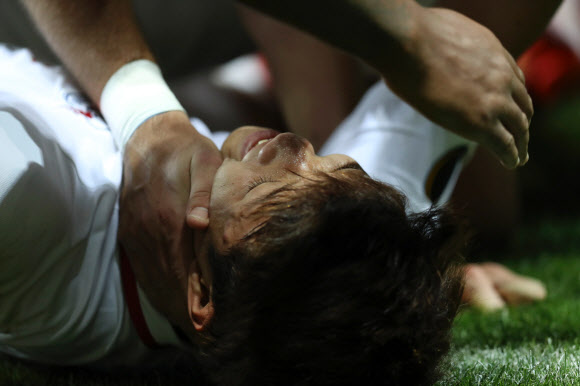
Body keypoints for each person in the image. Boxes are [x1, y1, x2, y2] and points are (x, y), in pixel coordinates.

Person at [0, 44, 545, 384]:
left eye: (280, 194)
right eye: (342, 166)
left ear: (202, 299)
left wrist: (147, 115)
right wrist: (409, 294)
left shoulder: (33, 211)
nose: (299, 149)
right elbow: (476, 59)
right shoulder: (339, 225)